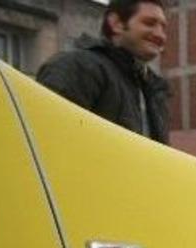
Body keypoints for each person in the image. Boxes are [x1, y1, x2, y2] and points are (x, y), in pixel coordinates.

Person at [37, 0, 169, 143]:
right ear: (117, 23)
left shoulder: (153, 89)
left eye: (163, 28)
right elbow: (49, 138)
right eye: (149, 23)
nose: (160, 35)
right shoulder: (78, 67)